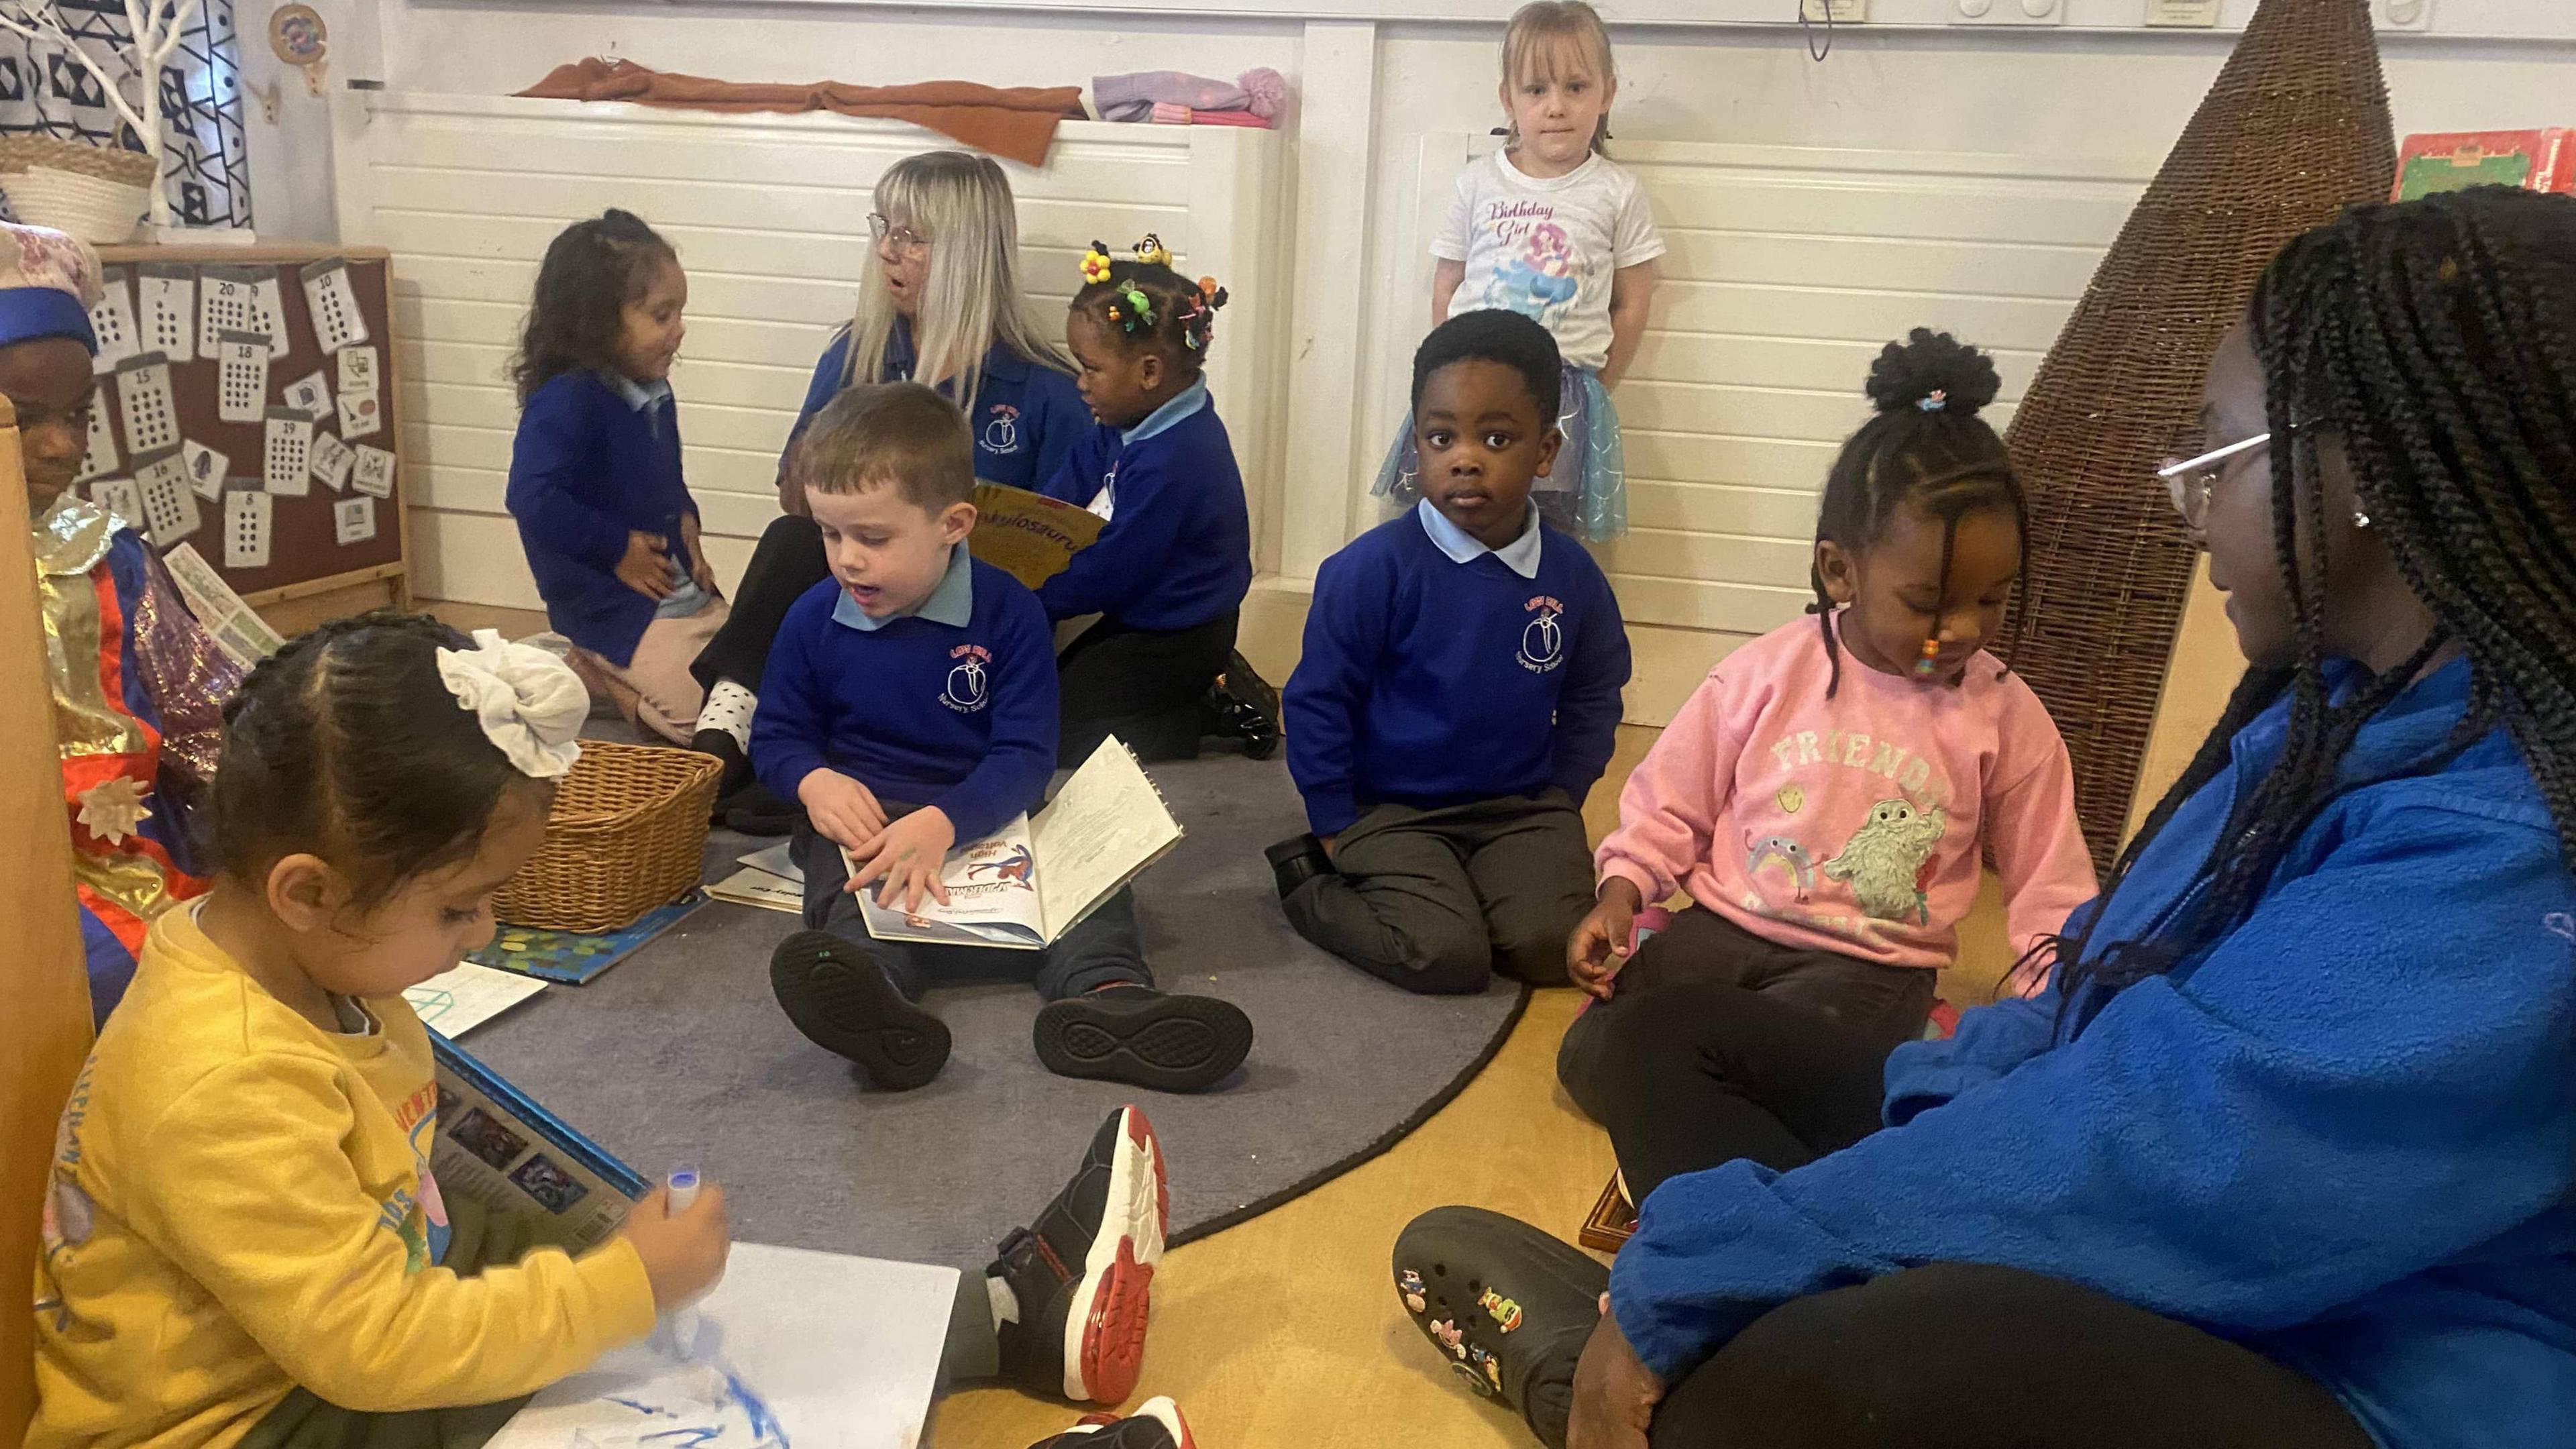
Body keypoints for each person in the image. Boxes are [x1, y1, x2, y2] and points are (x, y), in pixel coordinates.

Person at [1390, 187, 2576, 1449]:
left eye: (2217, 457)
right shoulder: (2323, 713)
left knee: (1876, 1367)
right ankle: (1699, 1351)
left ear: (2369, 476)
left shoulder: (2515, 842)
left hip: (2341, 1371)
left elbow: (2170, 1149)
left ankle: (1649, 1367)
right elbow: (2092, 1002)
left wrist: (1740, 1253)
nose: (2186, 507)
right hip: (2162, 1222)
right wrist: (1890, 1167)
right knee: (1671, 1037)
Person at [26, 614, 1201, 1446]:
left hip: (322, 1357)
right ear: (306, 891)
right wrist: (618, 1287)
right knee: (643, 1369)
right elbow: (376, 1350)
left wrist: (600, 1258)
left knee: (658, 1304)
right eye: (458, 908)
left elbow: (403, 1189)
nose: (484, 935)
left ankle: (1005, 1322)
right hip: (263, 1423)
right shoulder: (219, 1078)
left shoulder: (309, 957)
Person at [1551, 329, 2097, 1203]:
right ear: (1840, 571)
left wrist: (2053, 1016)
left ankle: (1785, 1169)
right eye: (1926, 602)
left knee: (1821, 1074)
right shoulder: (1765, 674)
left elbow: (2052, 891)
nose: (1958, 628)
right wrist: (1622, 893)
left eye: (1989, 601)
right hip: (1725, 925)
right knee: (1590, 1060)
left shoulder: (2008, 718)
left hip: (1872, 964)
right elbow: (1670, 805)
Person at [758, 382, 1254, 1094]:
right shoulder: (813, 618)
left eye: (873, 538)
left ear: (955, 524)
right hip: (873, 827)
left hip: (990, 817)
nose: (848, 561)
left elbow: (1024, 756)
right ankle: (881, 1016)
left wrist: (946, 821)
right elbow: (777, 735)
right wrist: (815, 781)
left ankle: (1108, 1002)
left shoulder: (1010, 612)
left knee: (1094, 895)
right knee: (848, 905)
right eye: (831, 535)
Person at [689, 152, 1103, 824]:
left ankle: (788, 764)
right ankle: (724, 729)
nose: (887, 250)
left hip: (983, 607)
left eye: (911, 236)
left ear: (967, 251)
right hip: (868, 595)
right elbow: (799, 500)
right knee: (793, 540)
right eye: (884, 227)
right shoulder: (856, 353)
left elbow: (1070, 537)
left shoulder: (1044, 388)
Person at [1268, 311, 1629, 995]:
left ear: (1546, 451)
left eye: (1497, 438)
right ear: (1417, 448)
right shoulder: (1370, 570)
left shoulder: (1573, 577)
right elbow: (1318, 701)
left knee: (1552, 947)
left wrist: (1563, 794)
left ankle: (1472, 890)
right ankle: (1306, 886)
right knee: (1444, 956)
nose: (1466, 457)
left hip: (1519, 809)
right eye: (1442, 438)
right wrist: (1334, 822)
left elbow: (1595, 691)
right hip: (1391, 810)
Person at [5, 219, 244, 1024]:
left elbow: (197, 710)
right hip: (19, 872)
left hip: (115, 844)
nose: (59, 447)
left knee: (201, 952)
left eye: (77, 415)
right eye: (25, 418)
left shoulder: (107, 553)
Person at [1373, 0, 1662, 543]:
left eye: (1576, 87)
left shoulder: (1617, 193)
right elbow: (1448, 284)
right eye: (1537, 90)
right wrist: (1446, 372)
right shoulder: (1478, 183)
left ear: (1608, 93)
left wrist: (1601, 384)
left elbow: (1633, 301)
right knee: (1449, 516)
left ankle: (1533, 617)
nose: (1557, 107)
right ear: (1509, 98)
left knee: (1545, 529)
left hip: (1563, 392)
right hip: (1470, 388)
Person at [1034, 237, 1262, 767]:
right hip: (1141, 612)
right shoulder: (1129, 418)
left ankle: (1200, 713)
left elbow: (1115, 570)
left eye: (1091, 368)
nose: (1080, 382)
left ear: (1150, 373)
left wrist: (1033, 591)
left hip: (1178, 634)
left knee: (1063, 740)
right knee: (1049, 699)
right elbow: (1075, 476)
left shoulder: (1177, 457)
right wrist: (1026, 533)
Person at [505, 208, 727, 745]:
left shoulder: (651, 389)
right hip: (609, 603)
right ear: (597, 321)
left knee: (745, 684)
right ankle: (603, 673)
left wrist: (687, 515)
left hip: (670, 588)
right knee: (706, 732)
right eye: (661, 315)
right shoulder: (567, 402)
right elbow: (531, 498)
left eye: (679, 313)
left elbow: (662, 473)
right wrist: (614, 548)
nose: (679, 330)